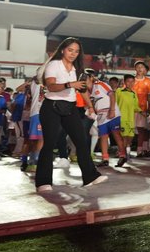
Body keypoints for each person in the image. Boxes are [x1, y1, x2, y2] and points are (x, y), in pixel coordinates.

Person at [34, 38, 107, 192]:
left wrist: (90, 107)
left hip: (70, 107)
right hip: (52, 106)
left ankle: (90, 176)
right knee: (49, 144)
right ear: (62, 50)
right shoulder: (54, 64)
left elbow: (82, 89)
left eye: (76, 51)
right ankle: (43, 182)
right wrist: (70, 84)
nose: (73, 54)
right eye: (70, 50)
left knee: (81, 141)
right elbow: (51, 86)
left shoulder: (77, 68)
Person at [85, 69, 128, 167]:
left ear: (91, 77)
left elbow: (112, 95)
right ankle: (105, 159)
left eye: (86, 77)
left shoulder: (100, 84)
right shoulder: (86, 91)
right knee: (103, 136)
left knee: (116, 134)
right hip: (101, 115)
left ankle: (123, 155)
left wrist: (112, 110)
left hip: (112, 113)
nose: (84, 80)